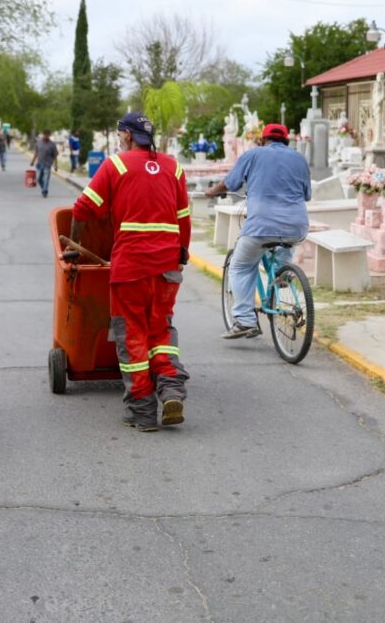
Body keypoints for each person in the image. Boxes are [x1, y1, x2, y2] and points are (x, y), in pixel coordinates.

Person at [70, 112, 191, 432]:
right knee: (161, 329)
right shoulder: (174, 167)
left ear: (126, 135)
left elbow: (83, 208)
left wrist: (73, 242)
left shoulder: (116, 165)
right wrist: (181, 255)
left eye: (120, 133)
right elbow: (184, 219)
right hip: (167, 266)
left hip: (130, 268)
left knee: (133, 335)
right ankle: (171, 388)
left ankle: (142, 410)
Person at [204, 123, 310, 340]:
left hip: (261, 225)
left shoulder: (253, 154)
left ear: (262, 140)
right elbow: (306, 195)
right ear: (287, 142)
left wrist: (211, 192)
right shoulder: (299, 159)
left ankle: (244, 320)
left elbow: (230, 183)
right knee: (283, 245)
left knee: (241, 265)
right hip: (296, 226)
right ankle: (281, 277)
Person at [30, 129, 59, 198]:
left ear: (49, 135)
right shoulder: (38, 143)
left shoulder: (52, 145)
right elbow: (36, 153)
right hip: (39, 163)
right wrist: (33, 161)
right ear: (43, 134)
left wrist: (56, 165)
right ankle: (44, 188)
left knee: (46, 178)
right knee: (38, 178)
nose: (46, 136)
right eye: (45, 134)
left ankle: (44, 191)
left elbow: (55, 156)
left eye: (47, 135)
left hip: (48, 164)